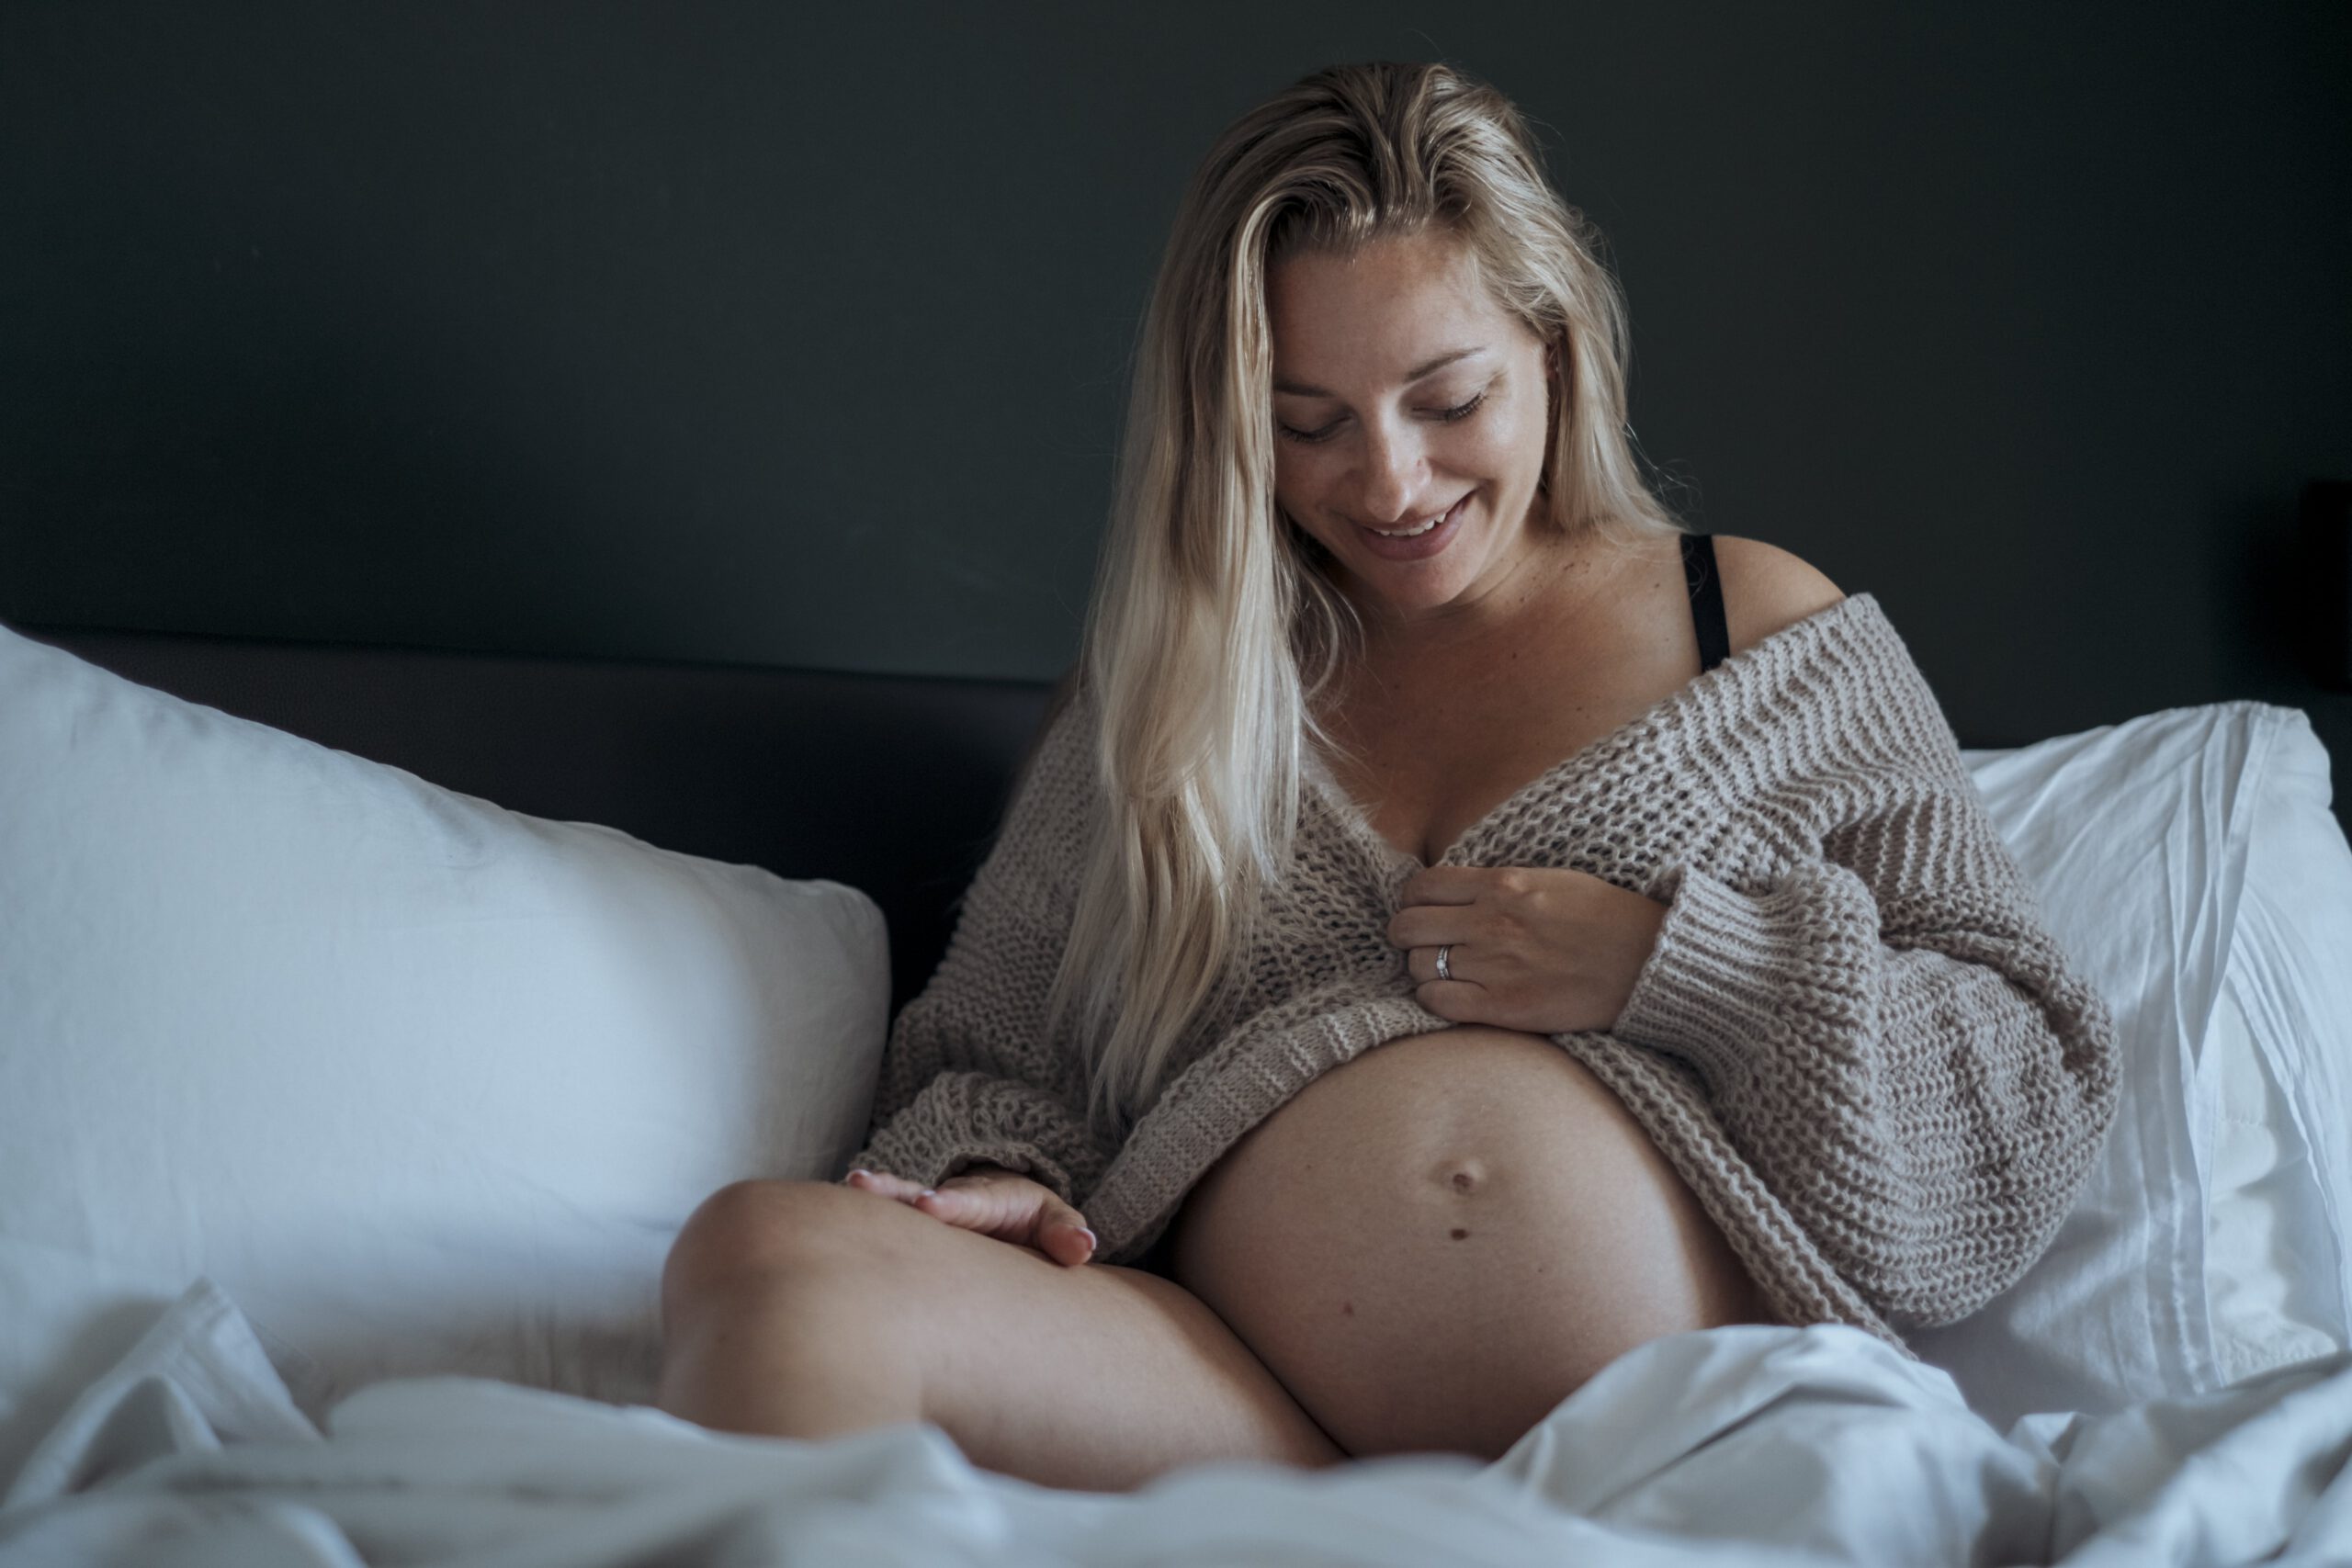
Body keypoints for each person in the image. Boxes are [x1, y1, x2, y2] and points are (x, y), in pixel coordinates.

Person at [652, 60, 2120, 1494]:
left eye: (1448, 397)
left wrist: (1678, 966)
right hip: (1255, 1418)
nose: (1393, 483)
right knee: (769, 1257)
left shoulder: (1753, 630)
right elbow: (996, 1056)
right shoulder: (1175, 686)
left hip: (1671, 1437)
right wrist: (1010, 1180)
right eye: (1310, 425)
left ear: (1551, 345)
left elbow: (2025, 1087)